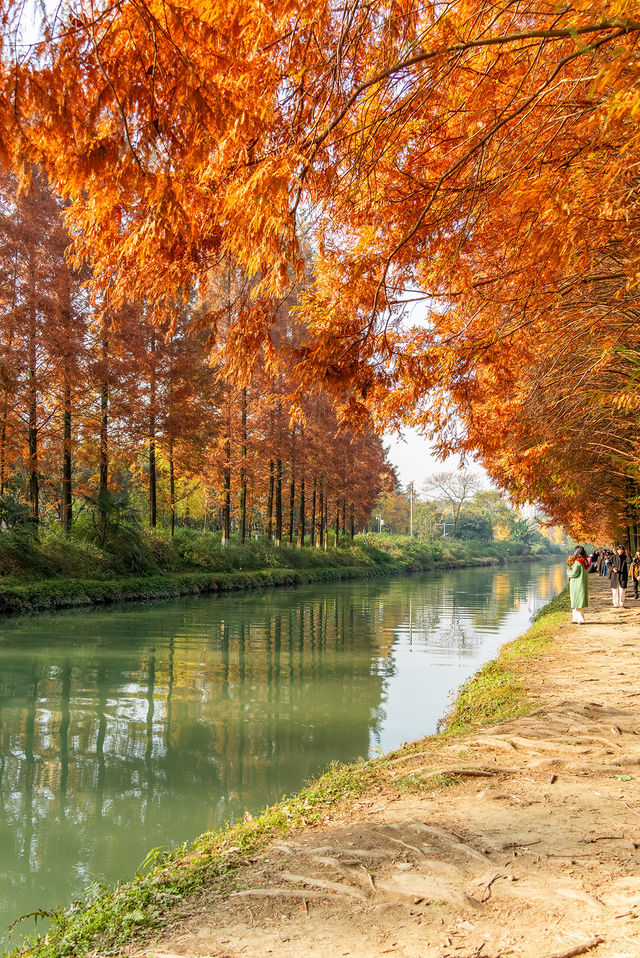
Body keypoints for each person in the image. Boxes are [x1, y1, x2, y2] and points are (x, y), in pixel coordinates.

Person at [567, 545, 589, 624]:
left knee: (576, 601)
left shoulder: (577, 562)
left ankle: (579, 619)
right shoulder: (584, 561)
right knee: (578, 601)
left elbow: (573, 573)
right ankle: (576, 618)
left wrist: (568, 571)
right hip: (582, 584)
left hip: (576, 585)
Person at [610, 544, 629, 608]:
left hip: (623, 575)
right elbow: (608, 563)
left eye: (622, 550)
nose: (620, 551)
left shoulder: (625, 557)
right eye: (619, 550)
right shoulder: (613, 557)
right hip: (615, 576)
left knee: (622, 590)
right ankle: (615, 603)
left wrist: (627, 554)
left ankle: (622, 602)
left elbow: (630, 561)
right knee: (615, 590)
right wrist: (612, 569)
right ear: (617, 550)